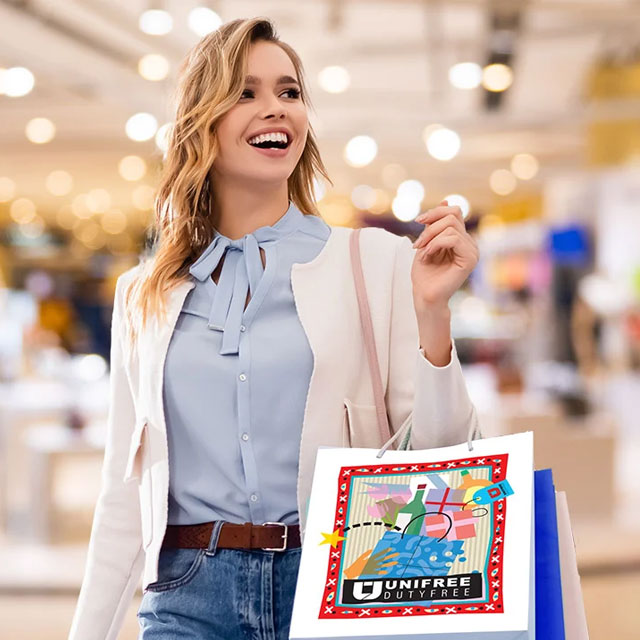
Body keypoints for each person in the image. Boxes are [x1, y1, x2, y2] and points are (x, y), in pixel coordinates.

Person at [69, 16, 479, 640]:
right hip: (185, 595)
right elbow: (124, 496)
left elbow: (446, 459)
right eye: (246, 92)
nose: (276, 109)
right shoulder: (143, 295)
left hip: (345, 580)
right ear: (201, 121)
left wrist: (433, 315)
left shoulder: (373, 262)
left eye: (289, 92)